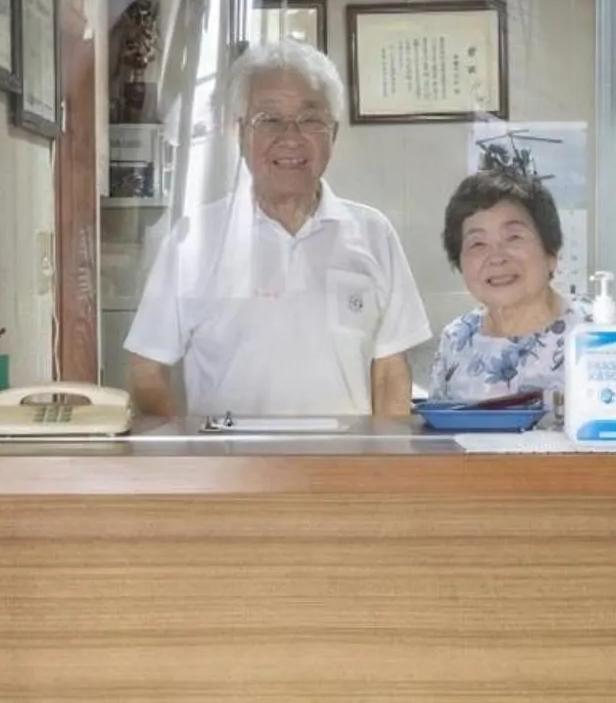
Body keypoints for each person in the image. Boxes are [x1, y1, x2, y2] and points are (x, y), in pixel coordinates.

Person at [124, 40, 430, 419]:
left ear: (332, 134)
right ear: (240, 133)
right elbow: (146, 371)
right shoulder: (196, 237)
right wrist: (189, 460)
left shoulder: (373, 233)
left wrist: (385, 467)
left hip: (347, 472)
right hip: (230, 472)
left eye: (309, 119)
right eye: (268, 119)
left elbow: (390, 372)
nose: (290, 137)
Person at [428, 167, 587, 402]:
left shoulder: (596, 334)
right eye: (478, 244)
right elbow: (439, 433)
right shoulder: (457, 339)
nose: (497, 257)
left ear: (550, 253)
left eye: (513, 237)